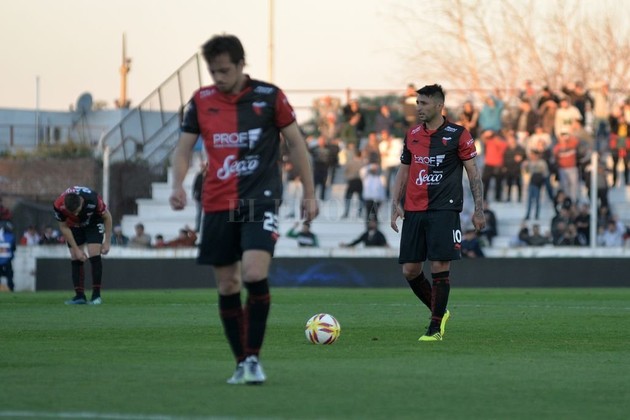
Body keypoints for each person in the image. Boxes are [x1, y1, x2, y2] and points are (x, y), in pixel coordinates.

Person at [169, 34, 318, 385]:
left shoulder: (269, 97)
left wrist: (309, 193)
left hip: (259, 200)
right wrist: (177, 184)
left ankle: (253, 358)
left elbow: (296, 144)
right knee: (228, 284)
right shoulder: (201, 101)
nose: (218, 78)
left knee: (252, 273)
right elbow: (183, 148)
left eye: (224, 70)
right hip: (217, 203)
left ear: (240, 65)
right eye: (213, 71)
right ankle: (241, 362)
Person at [390, 84, 485, 342]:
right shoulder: (412, 135)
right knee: (410, 270)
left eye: (423, 103)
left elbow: (473, 172)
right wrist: (395, 202)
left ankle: (435, 327)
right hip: (414, 209)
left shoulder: (458, 134)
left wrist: (479, 209)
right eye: (417, 103)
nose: (418, 108)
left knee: (440, 266)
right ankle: (440, 311)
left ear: (439, 106)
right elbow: (404, 170)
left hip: (444, 208)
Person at [53, 186, 112, 305]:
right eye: (73, 212)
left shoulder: (93, 199)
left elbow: (107, 217)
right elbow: (63, 227)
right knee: (75, 256)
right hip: (73, 226)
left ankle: (96, 296)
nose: (76, 213)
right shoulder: (58, 205)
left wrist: (107, 242)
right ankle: (79, 296)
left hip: (93, 222)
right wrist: (76, 250)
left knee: (94, 253)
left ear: (81, 201)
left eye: (78, 210)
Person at [0, 222, 16, 291]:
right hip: (7, 261)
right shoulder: (11, 237)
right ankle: (11, 289)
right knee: (9, 276)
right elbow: (13, 248)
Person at [192, 160, 207, 232]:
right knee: (199, 213)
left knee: (206, 214)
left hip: (207, 198)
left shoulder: (209, 175)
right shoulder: (199, 176)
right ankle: (197, 227)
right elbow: (195, 186)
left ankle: (206, 227)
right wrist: (193, 194)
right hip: (199, 198)